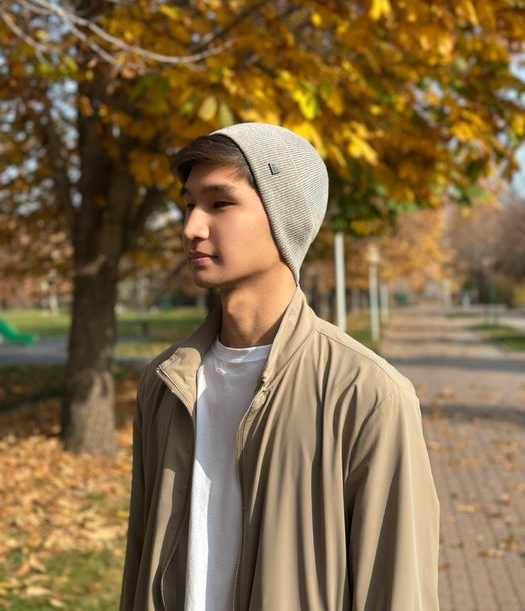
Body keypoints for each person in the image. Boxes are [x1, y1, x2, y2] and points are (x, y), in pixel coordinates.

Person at [119, 123, 440, 611]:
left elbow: (397, 591)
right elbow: (141, 560)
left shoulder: (367, 394)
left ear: (282, 215)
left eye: (219, 203)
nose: (191, 228)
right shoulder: (164, 383)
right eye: (189, 205)